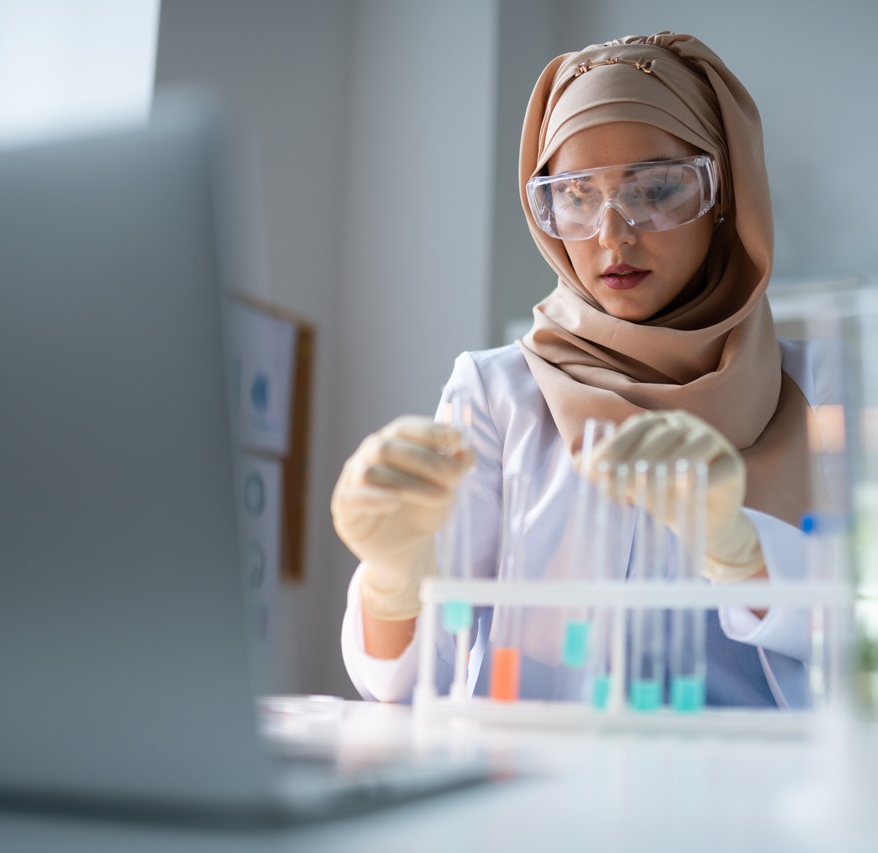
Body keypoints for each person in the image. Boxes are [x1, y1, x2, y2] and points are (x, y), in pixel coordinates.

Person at [332, 32, 829, 707]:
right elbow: (407, 679)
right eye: (575, 195)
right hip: (535, 789)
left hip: (756, 789)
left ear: (722, 194)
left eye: (656, 189)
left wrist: (743, 552)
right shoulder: (498, 393)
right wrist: (393, 574)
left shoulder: (818, 386)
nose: (612, 234)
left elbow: (873, 629)